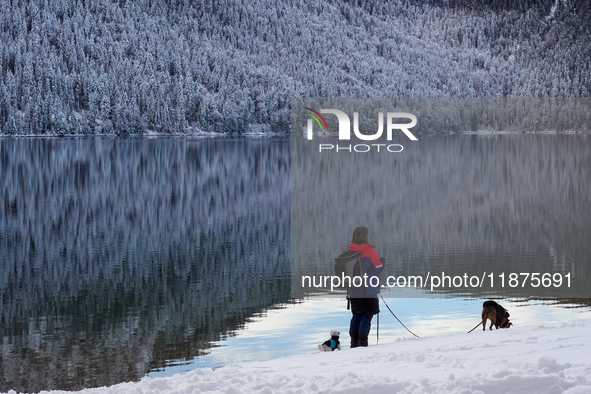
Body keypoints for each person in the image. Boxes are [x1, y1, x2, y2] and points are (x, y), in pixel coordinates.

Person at [347, 226, 385, 348]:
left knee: (356, 315)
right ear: (365, 237)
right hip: (368, 290)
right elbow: (378, 269)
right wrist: (382, 261)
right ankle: (362, 343)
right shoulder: (370, 251)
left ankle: (354, 343)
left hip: (353, 290)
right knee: (366, 316)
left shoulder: (350, 251)